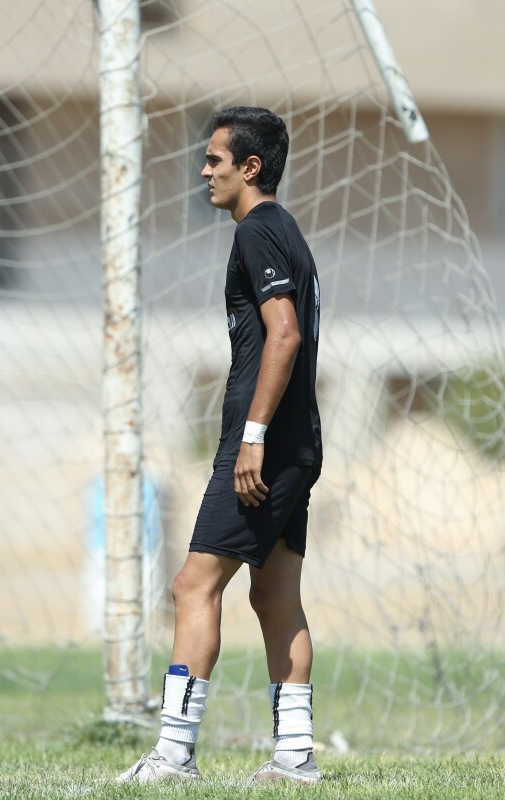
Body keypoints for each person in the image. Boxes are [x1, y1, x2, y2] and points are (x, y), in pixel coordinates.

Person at [117, 106, 323, 785]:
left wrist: (252, 437)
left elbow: (285, 334)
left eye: (214, 160)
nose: (203, 171)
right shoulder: (284, 230)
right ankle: (294, 758)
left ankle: (174, 754)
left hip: (266, 446)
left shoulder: (258, 232)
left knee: (192, 585)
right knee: (274, 595)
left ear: (249, 167)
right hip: (299, 443)